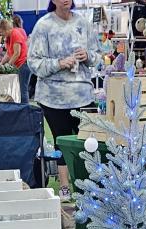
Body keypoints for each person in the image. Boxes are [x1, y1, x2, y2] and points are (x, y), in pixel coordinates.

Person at [29, 0, 99, 201]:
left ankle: (90, 188)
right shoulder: (44, 25)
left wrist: (88, 56)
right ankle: (65, 187)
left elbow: (97, 56)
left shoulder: (83, 23)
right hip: (53, 98)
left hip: (83, 95)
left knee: (89, 143)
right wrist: (58, 63)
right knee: (61, 142)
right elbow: (33, 63)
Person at [0, 15, 29, 103]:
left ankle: (25, 108)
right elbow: (8, 53)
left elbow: (17, 53)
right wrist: (1, 64)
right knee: (19, 89)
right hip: (19, 65)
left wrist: (8, 65)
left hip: (24, 64)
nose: (1, 35)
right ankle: (21, 107)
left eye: (2, 32)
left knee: (23, 90)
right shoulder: (8, 37)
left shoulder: (15, 34)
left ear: (6, 29)